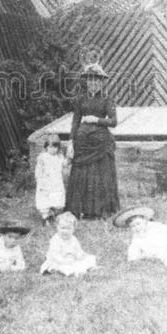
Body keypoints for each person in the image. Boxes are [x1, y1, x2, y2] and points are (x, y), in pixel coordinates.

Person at [65, 63, 120, 219]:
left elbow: (114, 121)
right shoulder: (80, 99)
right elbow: (75, 121)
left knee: (99, 175)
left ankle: (99, 210)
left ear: (101, 82)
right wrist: (70, 143)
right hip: (82, 144)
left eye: (96, 80)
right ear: (86, 81)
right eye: (90, 80)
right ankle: (79, 209)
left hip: (101, 144)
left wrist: (97, 119)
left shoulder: (107, 99)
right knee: (82, 175)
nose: (93, 83)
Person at [40, 212, 97, 276]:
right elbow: (55, 255)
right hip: (59, 260)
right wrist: (64, 261)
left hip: (71, 259)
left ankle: (87, 268)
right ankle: (70, 271)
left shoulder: (73, 239)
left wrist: (79, 256)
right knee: (61, 267)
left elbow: (78, 250)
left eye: (68, 228)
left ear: (73, 229)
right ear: (57, 228)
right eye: (62, 228)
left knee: (90, 258)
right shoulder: (55, 240)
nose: (65, 231)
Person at [35, 133, 68, 224]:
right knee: (45, 199)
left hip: (56, 182)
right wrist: (39, 180)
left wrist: (69, 158)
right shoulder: (43, 157)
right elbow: (39, 170)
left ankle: (53, 213)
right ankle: (45, 217)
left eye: (55, 147)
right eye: (50, 147)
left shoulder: (59, 157)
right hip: (45, 182)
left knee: (56, 198)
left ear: (58, 148)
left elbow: (64, 165)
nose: (53, 150)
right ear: (46, 147)